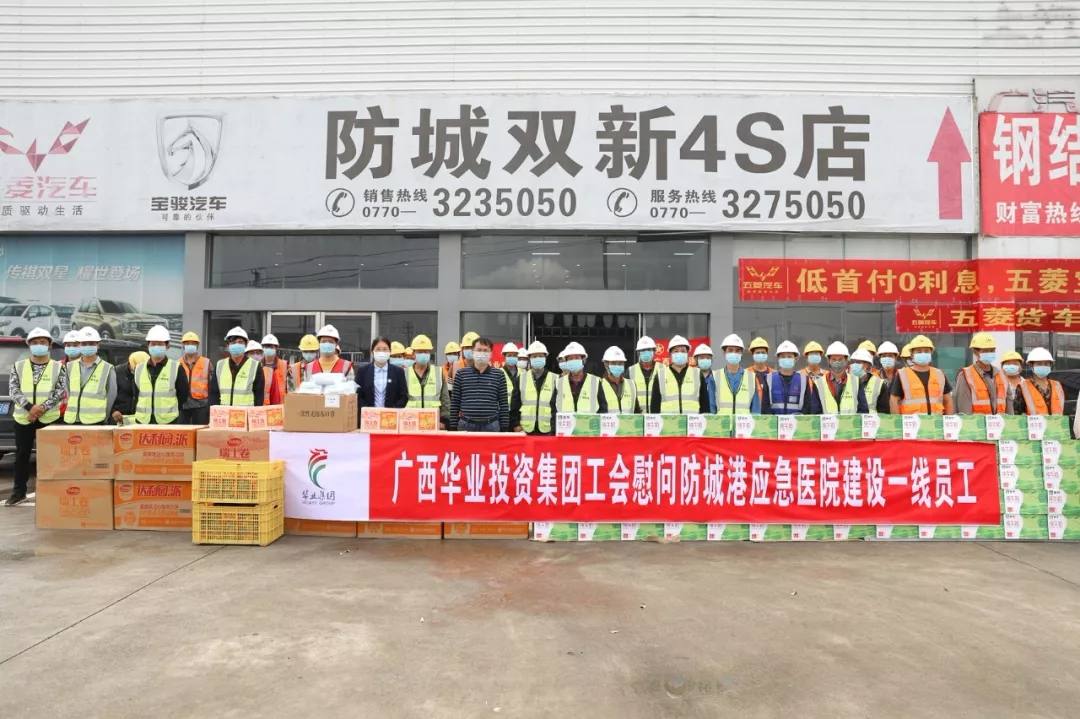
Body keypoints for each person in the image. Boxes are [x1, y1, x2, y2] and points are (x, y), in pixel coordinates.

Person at [7, 328, 66, 505]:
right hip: (23, 418)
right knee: (21, 456)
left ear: (49, 345)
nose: (38, 345)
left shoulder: (58, 367)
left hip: (49, 419)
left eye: (42, 342)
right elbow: (14, 390)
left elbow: (60, 392)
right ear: (29, 345)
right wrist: (29, 408)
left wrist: (41, 409)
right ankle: (19, 492)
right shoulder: (18, 366)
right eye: (34, 342)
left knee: (50, 457)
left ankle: (52, 492)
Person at [450, 336, 509, 432]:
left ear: (491, 353)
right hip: (466, 425)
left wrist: (504, 427)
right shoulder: (461, 374)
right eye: (479, 350)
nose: (482, 353)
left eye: (485, 350)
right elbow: (455, 403)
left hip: (491, 426)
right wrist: (452, 427)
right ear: (473, 352)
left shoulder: (499, 375)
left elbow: (504, 404)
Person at [133, 325, 190, 424]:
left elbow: (183, 396)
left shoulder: (176, 368)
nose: (156, 347)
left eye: (160, 344)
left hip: (168, 422)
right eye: (153, 344)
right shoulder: (139, 368)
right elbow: (136, 394)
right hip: (143, 421)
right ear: (148, 346)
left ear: (167, 346)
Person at [63, 327, 116, 425]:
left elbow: (111, 396)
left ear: (98, 345)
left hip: (96, 421)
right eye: (84, 344)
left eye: (91, 343)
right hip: (72, 420)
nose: (87, 346)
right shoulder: (69, 366)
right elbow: (68, 393)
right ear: (79, 345)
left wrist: (105, 417)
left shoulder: (108, 368)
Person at [890, 335, 954, 415]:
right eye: (919, 351)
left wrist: (949, 420)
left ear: (931, 353)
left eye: (926, 351)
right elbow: (894, 400)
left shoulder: (939, 374)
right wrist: (897, 421)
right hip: (911, 422)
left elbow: (948, 400)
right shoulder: (902, 375)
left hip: (936, 422)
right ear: (912, 354)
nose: (923, 353)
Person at [650, 335, 707, 414]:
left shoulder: (697, 374)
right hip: (668, 421)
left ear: (687, 354)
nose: (680, 353)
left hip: (693, 421)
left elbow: (705, 405)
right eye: (676, 351)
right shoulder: (660, 375)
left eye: (683, 351)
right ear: (670, 354)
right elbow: (654, 406)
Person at [953, 332, 1007, 415]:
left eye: (992, 350)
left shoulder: (1002, 375)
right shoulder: (965, 375)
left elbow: (1009, 405)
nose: (990, 353)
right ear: (975, 352)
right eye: (986, 351)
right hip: (976, 422)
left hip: (1000, 422)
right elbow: (964, 409)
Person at [209, 327, 265, 407]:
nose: (236, 345)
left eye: (240, 342)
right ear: (228, 345)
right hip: (224, 413)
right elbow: (214, 394)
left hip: (246, 413)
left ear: (246, 345)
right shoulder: (220, 365)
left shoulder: (255, 366)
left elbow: (259, 396)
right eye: (233, 342)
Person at [808, 342, 867, 414]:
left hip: (850, 422)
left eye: (840, 359)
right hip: (828, 421)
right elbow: (815, 412)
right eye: (834, 359)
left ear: (846, 360)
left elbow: (863, 410)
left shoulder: (856, 382)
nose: (837, 362)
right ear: (828, 361)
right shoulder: (818, 383)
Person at [512, 341, 558, 434]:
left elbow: (558, 407)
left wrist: (554, 429)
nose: (537, 358)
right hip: (525, 430)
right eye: (534, 356)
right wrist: (516, 424)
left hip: (548, 431)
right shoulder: (521, 378)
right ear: (529, 358)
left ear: (545, 357)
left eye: (540, 356)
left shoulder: (556, 379)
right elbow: (514, 405)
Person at [716, 334, 765, 415]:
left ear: (741, 353)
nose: (734, 353)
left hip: (744, 423)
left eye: (737, 350)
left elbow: (755, 410)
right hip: (722, 423)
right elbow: (710, 408)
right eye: (730, 350)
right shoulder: (715, 377)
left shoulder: (751, 377)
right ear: (724, 353)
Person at [405, 334, 447, 428]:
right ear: (413, 354)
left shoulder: (438, 372)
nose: (423, 354)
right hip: (411, 424)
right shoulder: (405, 373)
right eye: (420, 351)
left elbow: (445, 400)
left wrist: (444, 421)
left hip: (433, 424)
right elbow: (401, 400)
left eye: (426, 351)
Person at [556, 342, 607, 413]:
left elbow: (603, 408)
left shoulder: (595, 382)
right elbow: (553, 408)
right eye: (570, 358)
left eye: (577, 358)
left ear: (583, 360)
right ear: (566, 362)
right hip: (565, 420)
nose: (573, 361)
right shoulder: (559, 383)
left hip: (589, 421)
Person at [358, 337, 408, 409]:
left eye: (385, 349)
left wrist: (393, 411)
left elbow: (404, 396)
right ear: (372, 351)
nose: (381, 352)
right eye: (378, 349)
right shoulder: (363, 371)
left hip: (391, 414)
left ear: (390, 351)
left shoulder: (398, 372)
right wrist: (368, 410)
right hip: (369, 414)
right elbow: (358, 395)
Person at [1016, 347, 1064, 416]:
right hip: (1033, 423)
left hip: (1056, 422)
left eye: (1046, 364)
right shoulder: (1023, 386)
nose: (1043, 366)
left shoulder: (1057, 385)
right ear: (1031, 365)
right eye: (1039, 364)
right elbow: (1018, 413)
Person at [178, 331, 213, 424]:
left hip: (201, 405)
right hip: (183, 405)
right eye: (187, 343)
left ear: (197, 345)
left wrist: (210, 404)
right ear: (183, 345)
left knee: (200, 430)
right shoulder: (178, 363)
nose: (190, 345)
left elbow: (212, 385)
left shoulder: (206, 362)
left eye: (193, 343)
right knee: (182, 431)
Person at [767, 340, 810, 414]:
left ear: (795, 359)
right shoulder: (769, 379)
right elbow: (765, 407)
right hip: (774, 421)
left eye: (789, 357)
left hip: (798, 421)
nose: (786, 359)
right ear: (778, 359)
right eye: (783, 357)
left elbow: (808, 407)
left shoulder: (804, 380)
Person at [627, 336, 665, 414]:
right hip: (638, 416)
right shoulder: (630, 371)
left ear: (654, 351)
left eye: (649, 350)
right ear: (638, 353)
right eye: (643, 350)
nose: (646, 352)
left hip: (658, 416)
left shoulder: (663, 369)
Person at [112, 350, 149, 424]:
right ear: (130, 364)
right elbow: (109, 394)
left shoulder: (148, 373)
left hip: (140, 417)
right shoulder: (116, 372)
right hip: (118, 416)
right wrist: (113, 411)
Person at [599, 346, 637, 413]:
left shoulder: (631, 384)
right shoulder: (599, 385)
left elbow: (636, 410)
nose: (617, 366)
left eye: (620, 363)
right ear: (606, 365)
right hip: (608, 420)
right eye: (613, 363)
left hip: (628, 420)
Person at [849, 348, 885, 414]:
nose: (854, 365)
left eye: (858, 362)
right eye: (853, 362)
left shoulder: (879, 384)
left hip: (871, 420)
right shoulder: (845, 381)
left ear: (868, 365)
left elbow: (884, 412)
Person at [257, 334, 288, 406]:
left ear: (276, 348)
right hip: (263, 406)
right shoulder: (258, 365)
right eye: (266, 346)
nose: (269, 349)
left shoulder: (285, 365)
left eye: (271, 347)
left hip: (280, 406)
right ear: (262, 348)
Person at [875, 341, 900, 414]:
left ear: (895, 358)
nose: (887, 358)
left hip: (899, 414)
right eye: (884, 356)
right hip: (880, 415)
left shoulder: (902, 375)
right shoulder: (874, 377)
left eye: (890, 356)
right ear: (880, 358)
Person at [748, 337, 772, 406]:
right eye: (758, 353)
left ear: (767, 354)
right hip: (752, 410)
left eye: (763, 352)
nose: (760, 355)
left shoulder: (774, 374)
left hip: (769, 411)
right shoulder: (745, 373)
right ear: (752, 354)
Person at [694, 343, 716, 413]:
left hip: (715, 416)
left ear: (711, 360)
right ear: (696, 360)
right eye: (702, 358)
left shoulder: (717, 377)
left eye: (708, 358)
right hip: (696, 416)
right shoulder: (691, 377)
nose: (705, 360)